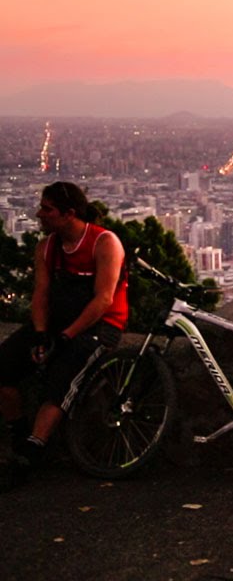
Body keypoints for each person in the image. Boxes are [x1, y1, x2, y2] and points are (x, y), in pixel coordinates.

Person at [0, 182, 128, 480]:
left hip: (99, 326)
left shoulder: (103, 242)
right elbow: (41, 293)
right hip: (56, 324)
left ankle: (33, 450)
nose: (39, 214)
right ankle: (19, 431)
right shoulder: (47, 247)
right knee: (4, 366)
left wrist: (67, 336)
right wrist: (41, 333)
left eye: (47, 209)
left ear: (69, 213)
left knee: (61, 381)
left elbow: (104, 300)